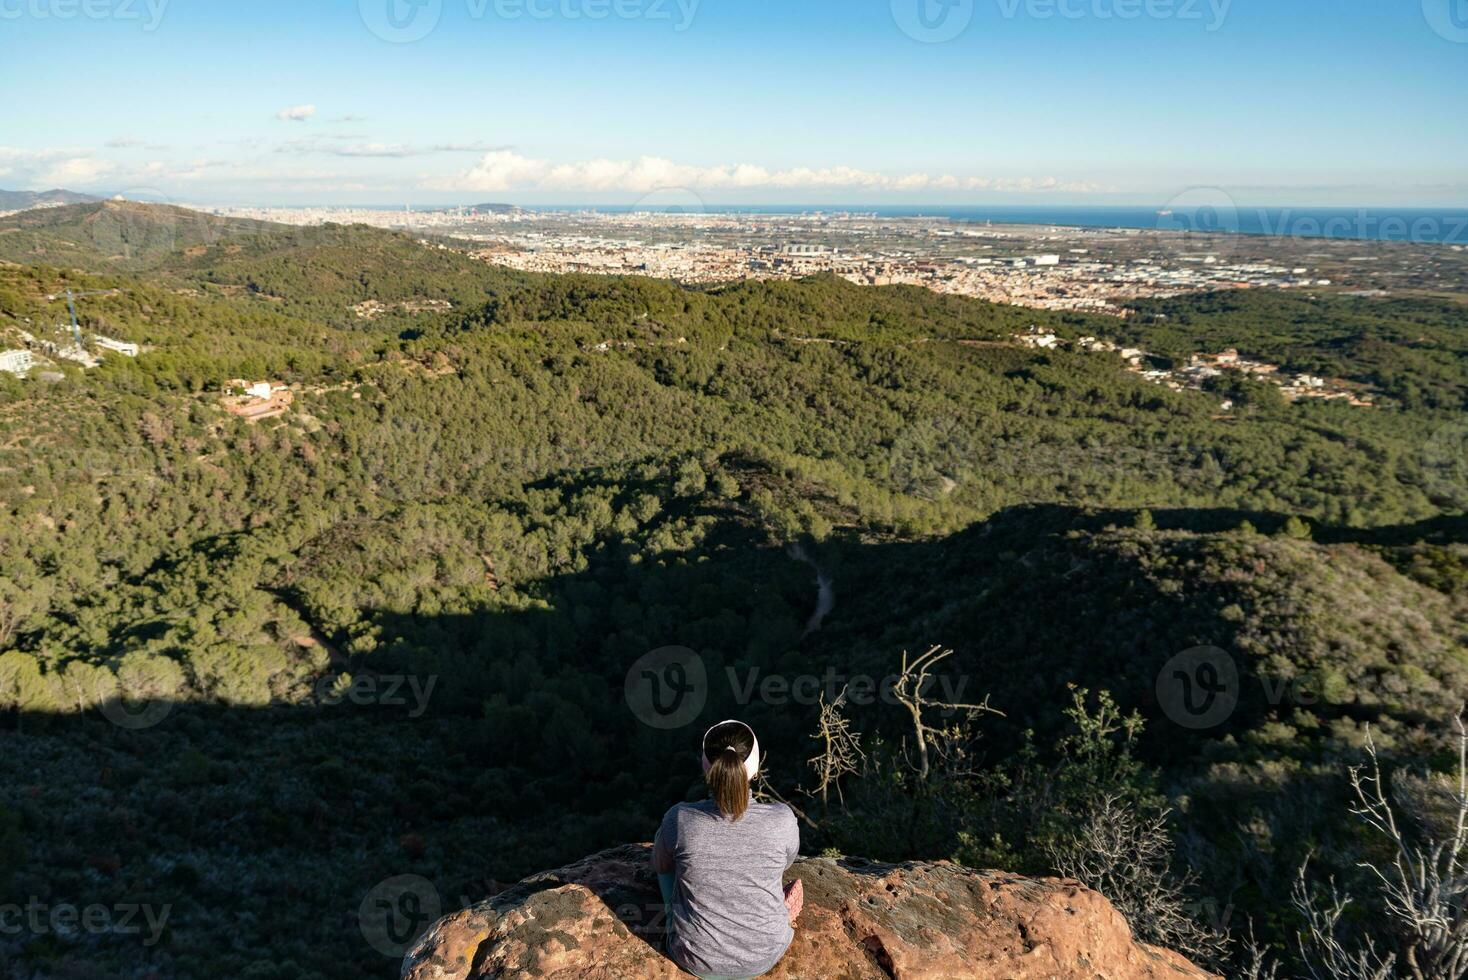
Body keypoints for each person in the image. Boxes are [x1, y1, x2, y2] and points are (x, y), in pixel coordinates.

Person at [653, 719, 803, 980]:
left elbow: (660, 865)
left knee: (672, 869)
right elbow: (787, 862)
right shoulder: (783, 820)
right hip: (767, 952)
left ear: (707, 768)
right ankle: (777, 913)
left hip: (695, 958)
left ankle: (672, 917)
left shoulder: (680, 819)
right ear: (755, 770)